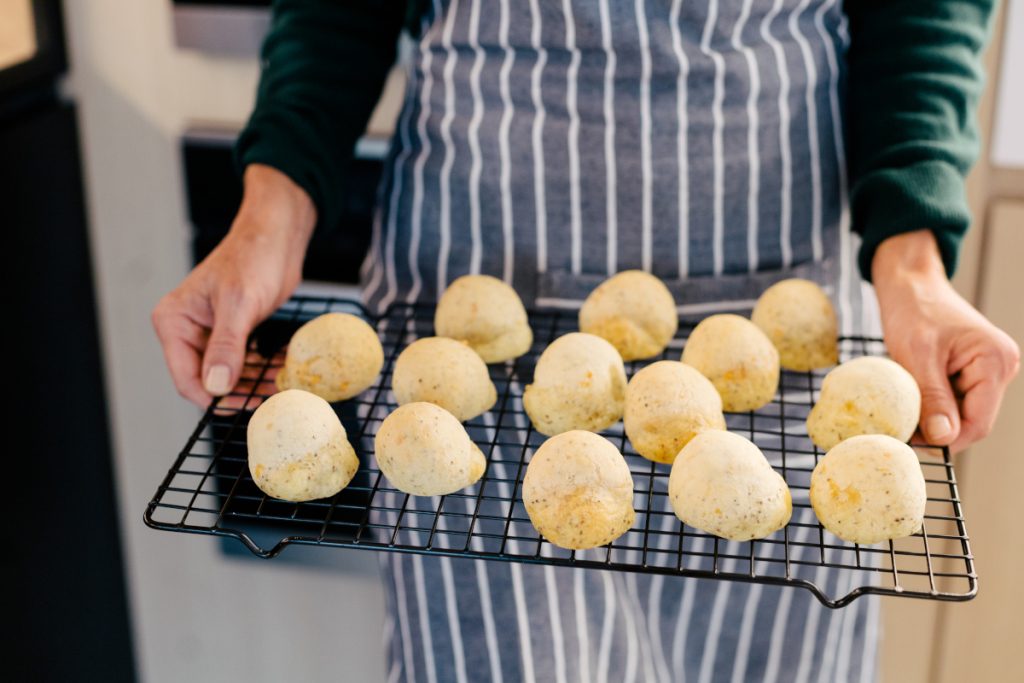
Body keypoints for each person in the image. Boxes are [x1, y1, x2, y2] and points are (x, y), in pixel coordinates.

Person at [153, 1, 1019, 680]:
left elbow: (921, 9)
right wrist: (269, 216)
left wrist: (912, 267)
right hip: (481, 245)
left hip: (766, 265)